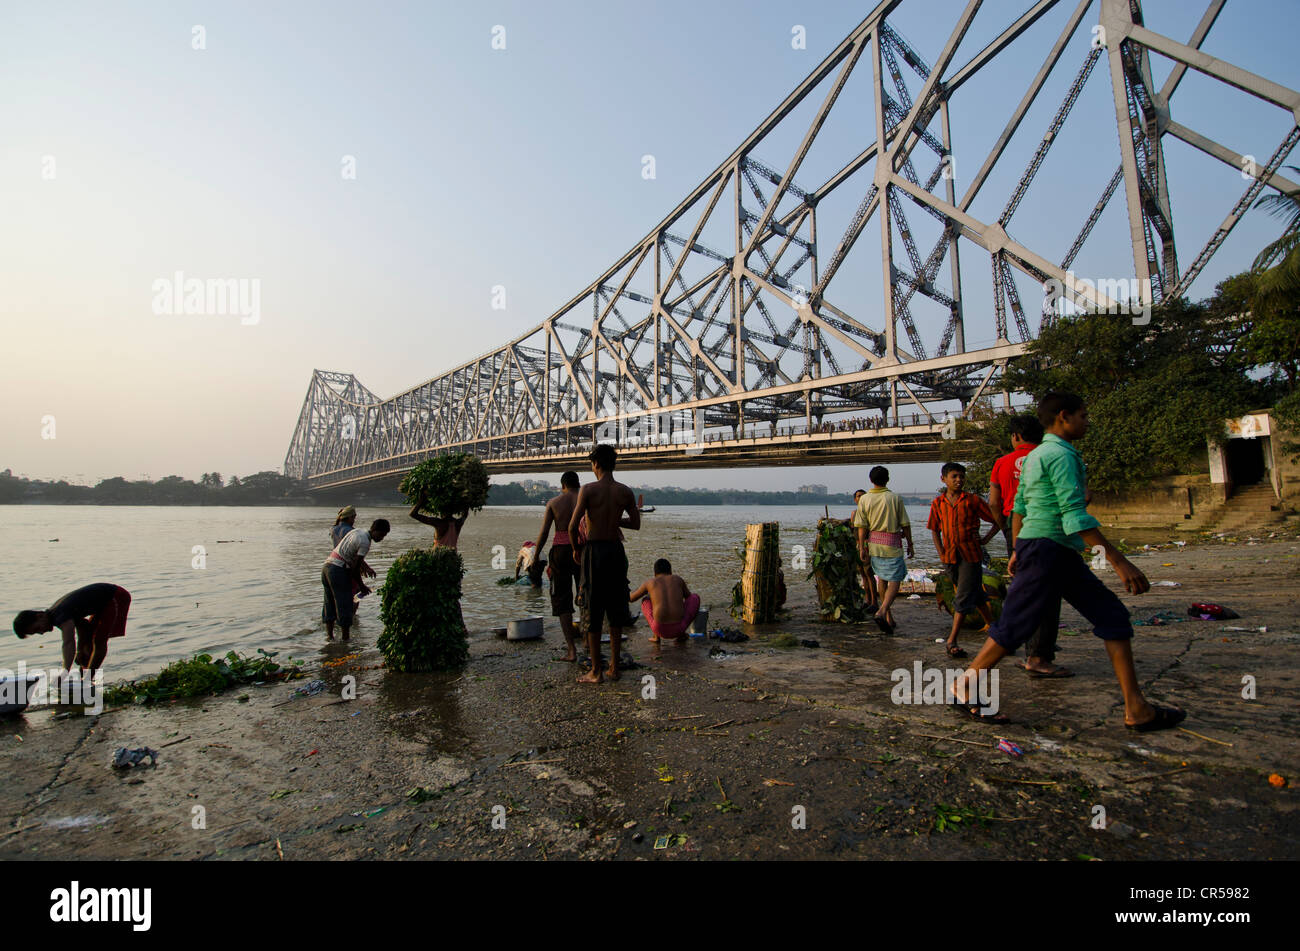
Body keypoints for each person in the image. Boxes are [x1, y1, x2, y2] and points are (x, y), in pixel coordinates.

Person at [949, 392, 1185, 731]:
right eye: (1083, 416)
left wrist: (1016, 548)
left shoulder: (1037, 456)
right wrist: (1118, 561)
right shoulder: (1060, 455)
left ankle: (1137, 707)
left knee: (1112, 616)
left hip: (1048, 548)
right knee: (1015, 625)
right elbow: (1073, 515)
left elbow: (1019, 508)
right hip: (1047, 549)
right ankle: (963, 686)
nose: (1087, 422)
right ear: (1064, 417)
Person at [990, 415, 1071, 678]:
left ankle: (1029, 647)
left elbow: (994, 502)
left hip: (1017, 532)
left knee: (1024, 589)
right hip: (1048, 530)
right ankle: (1038, 655)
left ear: (1015, 437)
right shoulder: (1052, 456)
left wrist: (1004, 528)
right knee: (1047, 593)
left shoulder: (1001, 463)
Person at [569, 445, 640, 683]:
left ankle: (595, 671)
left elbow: (571, 526)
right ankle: (614, 668)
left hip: (594, 551)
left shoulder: (588, 490)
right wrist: (614, 518)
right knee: (616, 607)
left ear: (596, 463)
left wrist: (576, 549)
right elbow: (635, 524)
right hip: (615, 551)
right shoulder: (625, 491)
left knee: (592, 607)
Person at [927, 462, 1003, 658]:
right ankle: (996, 631)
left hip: (971, 554)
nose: (959, 480)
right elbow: (935, 530)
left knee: (962, 596)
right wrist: (941, 551)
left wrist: (985, 539)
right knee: (976, 594)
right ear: (943, 479)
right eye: (954, 476)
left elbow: (996, 520)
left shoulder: (972, 501)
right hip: (950, 556)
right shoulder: (938, 503)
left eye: (961, 476)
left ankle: (952, 640)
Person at [13, 583, 132, 679]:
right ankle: (84, 677)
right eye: (37, 633)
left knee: (98, 641)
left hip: (115, 596)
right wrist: (80, 651)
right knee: (88, 641)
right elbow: (83, 627)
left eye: (38, 628)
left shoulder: (60, 616)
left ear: (40, 616)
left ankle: (87, 680)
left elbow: (68, 642)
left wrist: (65, 671)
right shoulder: (56, 615)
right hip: (104, 602)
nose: (42, 633)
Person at [858, 466, 914, 636]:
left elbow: (861, 526)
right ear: (887, 479)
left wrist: (862, 547)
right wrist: (910, 543)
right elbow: (905, 523)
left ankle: (889, 616)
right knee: (895, 578)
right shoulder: (894, 498)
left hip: (874, 544)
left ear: (871, 480)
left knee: (882, 578)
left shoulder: (864, 499)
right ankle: (883, 611)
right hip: (891, 543)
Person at [535, 471, 582, 661]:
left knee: (562, 600)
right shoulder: (585, 499)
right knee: (585, 594)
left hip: (560, 552)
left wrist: (536, 555)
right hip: (582, 550)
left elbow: (544, 532)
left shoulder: (553, 503)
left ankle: (571, 650)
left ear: (563, 486)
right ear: (578, 484)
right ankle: (588, 641)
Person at [322, 518, 389, 641]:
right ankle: (345, 641)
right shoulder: (365, 542)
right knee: (344, 605)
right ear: (374, 530)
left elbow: (352, 554)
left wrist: (367, 568)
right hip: (338, 571)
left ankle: (329, 638)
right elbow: (354, 569)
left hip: (327, 567)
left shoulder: (358, 532)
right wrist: (362, 586)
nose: (381, 538)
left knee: (329, 604)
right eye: (381, 535)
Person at [631, 558, 700, 643]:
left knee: (646, 600)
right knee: (695, 597)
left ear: (655, 573)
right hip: (679, 628)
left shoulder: (650, 582)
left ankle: (656, 637)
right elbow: (689, 598)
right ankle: (681, 635)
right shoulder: (677, 579)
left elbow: (631, 599)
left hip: (659, 629)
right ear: (670, 571)